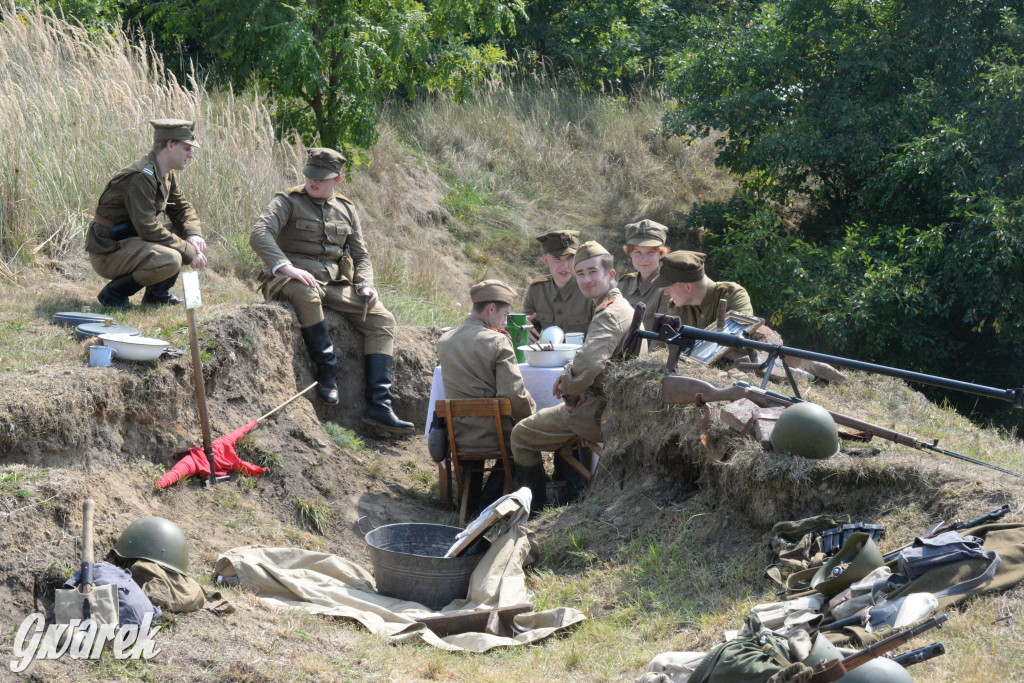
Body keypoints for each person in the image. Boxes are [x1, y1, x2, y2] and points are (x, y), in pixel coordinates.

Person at [249, 147, 414, 434]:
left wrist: (366, 285)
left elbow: (361, 256)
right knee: (307, 292)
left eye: (321, 178)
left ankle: (379, 405)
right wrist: (285, 267)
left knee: (382, 319)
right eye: (310, 175)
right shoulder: (288, 201)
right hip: (291, 279)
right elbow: (259, 233)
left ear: (337, 180)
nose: (313, 182)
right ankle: (327, 372)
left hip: (335, 283)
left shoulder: (347, 209)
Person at [511, 241, 635, 512]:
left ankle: (535, 510)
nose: (586, 280)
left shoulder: (609, 313)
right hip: (610, 405)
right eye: (580, 274)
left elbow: (588, 364)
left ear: (610, 275)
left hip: (598, 411)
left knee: (521, 435)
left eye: (592, 272)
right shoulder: (618, 305)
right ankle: (564, 492)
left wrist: (569, 391)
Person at [436, 280, 536, 514]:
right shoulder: (497, 340)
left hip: (459, 435)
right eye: (505, 315)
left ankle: (469, 503)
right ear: (490, 309)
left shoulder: (445, 340)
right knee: (520, 442)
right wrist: (532, 416)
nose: (505, 321)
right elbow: (513, 394)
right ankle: (488, 505)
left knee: (476, 446)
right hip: (494, 436)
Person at [85, 119, 208, 308]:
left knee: (182, 231)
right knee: (172, 258)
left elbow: (182, 208)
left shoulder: (163, 172)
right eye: (186, 148)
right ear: (170, 145)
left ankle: (157, 296)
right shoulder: (141, 177)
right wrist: (189, 252)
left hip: (129, 241)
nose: (190, 155)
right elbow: (147, 228)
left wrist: (193, 235)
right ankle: (114, 294)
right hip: (108, 251)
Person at [522, 230, 591, 341]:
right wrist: (521, 327)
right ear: (546, 260)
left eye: (570, 258)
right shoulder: (537, 290)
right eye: (557, 259)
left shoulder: (589, 288)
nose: (564, 266)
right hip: (548, 355)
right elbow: (528, 329)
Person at [660, 250, 753, 328]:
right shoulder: (677, 308)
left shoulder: (733, 295)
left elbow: (739, 335)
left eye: (669, 287)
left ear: (688, 286)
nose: (666, 292)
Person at [617, 219, 671, 336]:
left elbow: (662, 339)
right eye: (638, 252)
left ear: (661, 253)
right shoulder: (623, 285)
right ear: (630, 254)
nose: (644, 259)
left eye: (650, 252)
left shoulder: (668, 287)